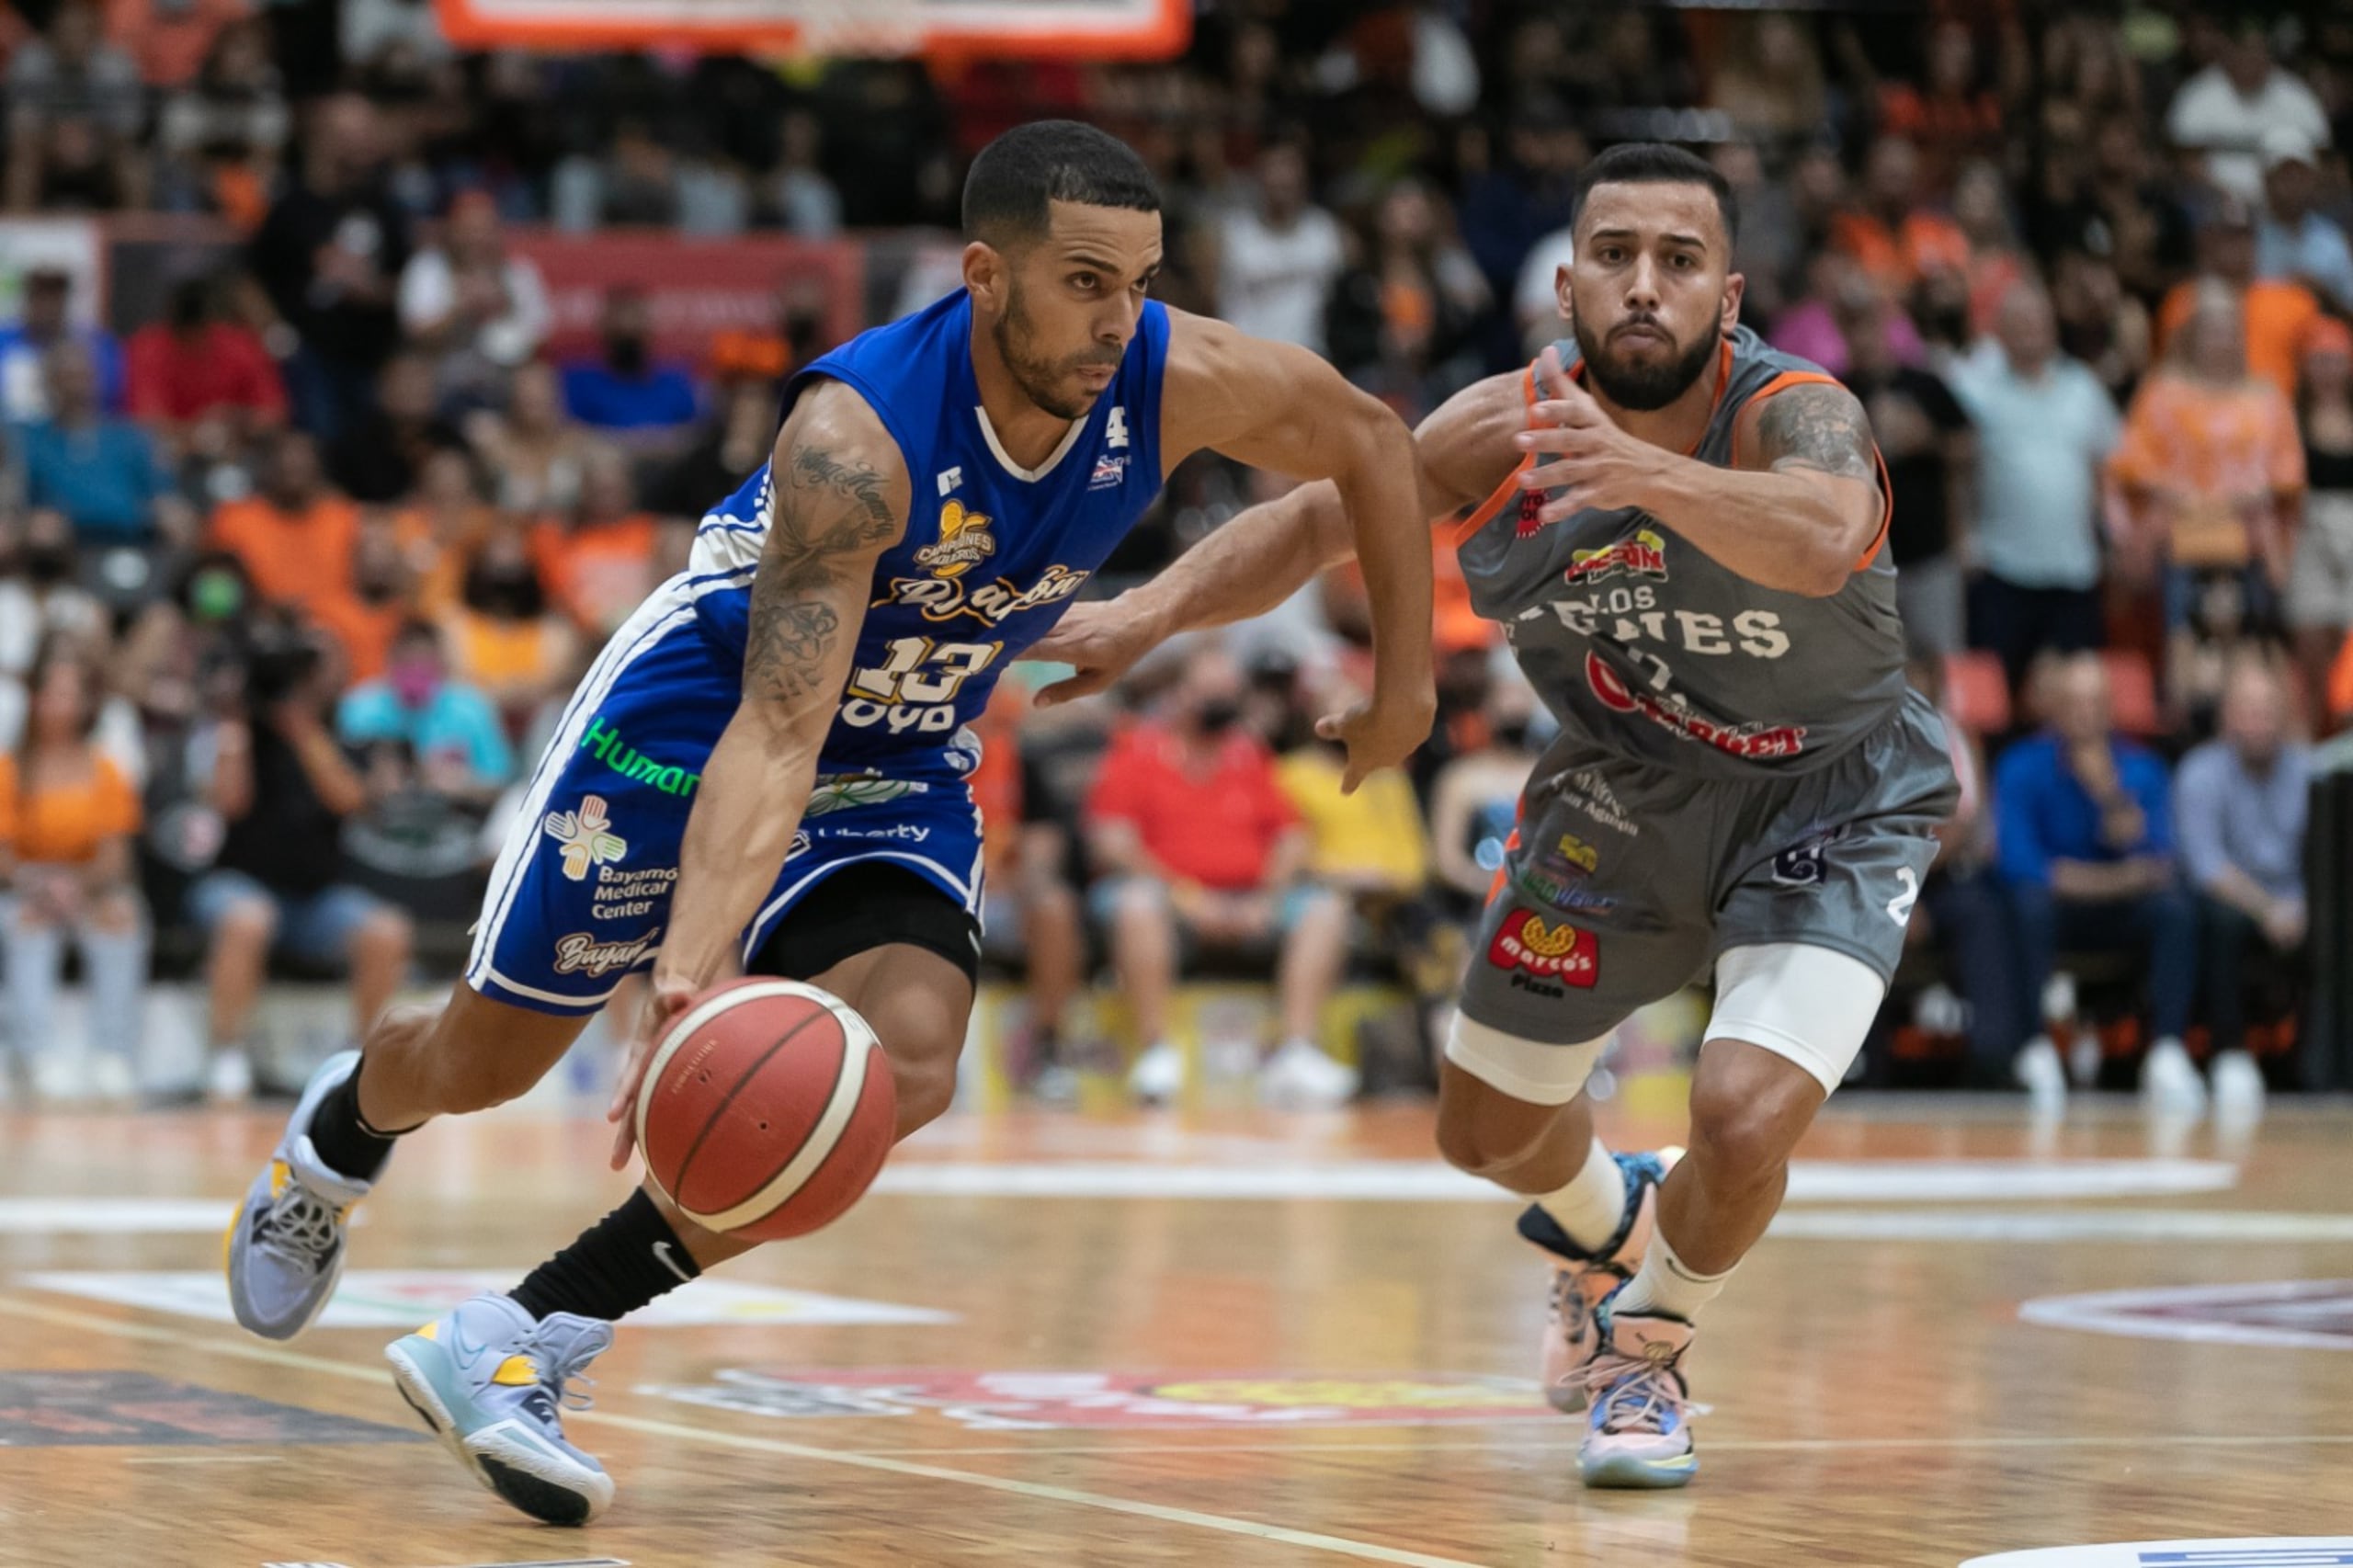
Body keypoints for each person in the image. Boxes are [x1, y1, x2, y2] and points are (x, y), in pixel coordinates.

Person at [220, 120, 1435, 1524]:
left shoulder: (1173, 376)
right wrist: (687, 974)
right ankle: (338, 1133)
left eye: (1142, 282)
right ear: (987, 275)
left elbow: (1372, 442)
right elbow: (777, 729)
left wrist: (1401, 692)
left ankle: (523, 1335)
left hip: (906, 743)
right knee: (487, 1058)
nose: (1121, 321)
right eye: (1085, 282)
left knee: (898, 1069)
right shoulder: (856, 438)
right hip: (700, 716)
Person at [1036, 142, 1955, 1490]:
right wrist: (1148, 613)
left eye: (1680, 262)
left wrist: (1644, 478)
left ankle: (1647, 1347)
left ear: (1729, 292)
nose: (1646, 285)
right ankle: (1611, 1220)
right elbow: (1314, 526)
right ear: (1570, 278)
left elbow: (1824, 533)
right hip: (1622, 784)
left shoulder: (1792, 412)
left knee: (1744, 1113)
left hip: (1831, 787)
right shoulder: (1499, 425)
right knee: (1484, 1129)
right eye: (1618, 256)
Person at [1084, 648, 1358, 1108]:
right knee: (1135, 903)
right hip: (1167, 897)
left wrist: (1268, 898)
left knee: (1325, 907)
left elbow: (1292, 836)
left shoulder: (1247, 755)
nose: (1222, 702)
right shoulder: (1136, 751)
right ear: (1177, 695)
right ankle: (1156, 1053)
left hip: (1250, 899)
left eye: (1229, 693)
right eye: (1210, 692)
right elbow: (1113, 843)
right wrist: (1186, 897)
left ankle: (1297, 1052)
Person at [189, 617, 415, 1103]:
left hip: (316, 899)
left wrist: (303, 731)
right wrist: (235, 725)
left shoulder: (342, 734)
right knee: (249, 919)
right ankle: (226, 1055)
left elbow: (348, 799)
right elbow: (229, 804)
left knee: (387, 931)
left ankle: (356, 1062)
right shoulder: (238, 730)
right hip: (239, 884)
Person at [1995, 652, 2203, 1116]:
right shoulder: (2021, 766)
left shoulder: (2142, 769)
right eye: (2074, 702)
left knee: (2176, 911)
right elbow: (2022, 867)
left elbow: (2163, 863)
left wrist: (2110, 799)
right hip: (2057, 913)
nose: (2085, 714)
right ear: (2056, 709)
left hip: (2119, 912)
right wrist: (2120, 877)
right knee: (2026, 907)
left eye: (2095, 703)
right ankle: (2035, 1047)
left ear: (2111, 709)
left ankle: (2168, 1048)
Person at [1948, 282, 2122, 690]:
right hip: (2002, 568)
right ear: (1999, 332)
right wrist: (1962, 536)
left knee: (2078, 691)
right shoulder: (1974, 391)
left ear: (2053, 327)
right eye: (2018, 322)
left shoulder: (2084, 388)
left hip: (2074, 569)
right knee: (1996, 693)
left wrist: (2113, 539)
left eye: (2037, 320)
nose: (2029, 330)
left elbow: (2105, 471)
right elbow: (1955, 467)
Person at [2106, 286, 2304, 638]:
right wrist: (2182, 494)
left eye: (2230, 330)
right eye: (2212, 329)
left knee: (2252, 643)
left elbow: (2287, 473)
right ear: (2192, 334)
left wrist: (2258, 494)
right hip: (2180, 537)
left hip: (2250, 540)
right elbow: (2132, 464)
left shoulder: (2266, 396)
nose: (2221, 340)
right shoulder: (2162, 392)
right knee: (2184, 643)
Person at [1, 636, 146, 1103]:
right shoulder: (10, 768)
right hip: (25, 885)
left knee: (122, 920)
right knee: (28, 926)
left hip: (89, 883)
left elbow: (115, 855)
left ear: (87, 703)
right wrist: (36, 884)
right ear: (35, 698)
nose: (60, 705)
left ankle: (112, 1054)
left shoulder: (104, 769)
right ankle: (34, 1053)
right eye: (52, 693)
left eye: (71, 694)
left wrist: (77, 889)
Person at [2173, 656, 2303, 1121]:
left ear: (2286, 716)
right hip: (2236, 903)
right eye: (2249, 709)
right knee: (2213, 917)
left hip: (2297, 908)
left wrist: (2304, 909)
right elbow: (2207, 867)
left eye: (2269, 709)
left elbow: (2325, 864)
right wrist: (2270, 910)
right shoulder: (2200, 772)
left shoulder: (2309, 774)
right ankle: (2228, 1052)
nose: (2260, 722)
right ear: (2227, 715)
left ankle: (2324, 1059)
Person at [12, 343, 182, 547]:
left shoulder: (130, 437)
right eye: (65, 378)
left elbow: (162, 496)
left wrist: (170, 513)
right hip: (61, 548)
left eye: (82, 377)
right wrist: (30, 520)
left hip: (132, 536)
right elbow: (16, 503)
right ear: (47, 384)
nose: (75, 387)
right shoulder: (28, 440)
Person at [335, 619, 515, 807]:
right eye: (407, 661)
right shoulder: (359, 707)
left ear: (442, 662)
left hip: (457, 818)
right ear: (389, 661)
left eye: (425, 661)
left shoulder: (472, 707)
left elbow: (500, 783)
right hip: (379, 817)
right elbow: (343, 783)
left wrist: (463, 784)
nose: (416, 669)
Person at [2165, 24, 2330, 205]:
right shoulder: (2198, 94)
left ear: (2268, 55)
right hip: (2214, 203)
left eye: (2255, 51)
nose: (2248, 59)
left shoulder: (2297, 96)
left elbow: (2319, 157)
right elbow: (2186, 160)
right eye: (2241, 51)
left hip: (2288, 206)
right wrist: (2224, 196)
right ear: (2227, 54)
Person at [204, 428, 362, 617]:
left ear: (317, 467)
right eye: (284, 463)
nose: (292, 467)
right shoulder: (233, 521)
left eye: (300, 464)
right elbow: (214, 590)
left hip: (339, 628)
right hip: (260, 628)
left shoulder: (347, 519)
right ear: (266, 466)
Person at [558, 285, 699, 441]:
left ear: (650, 329)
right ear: (603, 328)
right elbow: (567, 431)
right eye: (620, 330)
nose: (628, 330)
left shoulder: (675, 379)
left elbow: (695, 431)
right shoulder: (578, 380)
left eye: (635, 328)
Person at [0, 267, 125, 423]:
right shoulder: (4, 342)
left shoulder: (97, 345)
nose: (47, 306)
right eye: (40, 296)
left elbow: (108, 403)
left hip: (73, 437)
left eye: (54, 296)